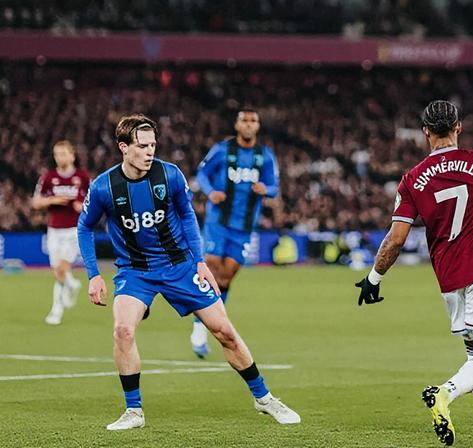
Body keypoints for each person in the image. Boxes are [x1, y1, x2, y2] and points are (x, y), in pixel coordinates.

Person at [77, 114, 299, 431]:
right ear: (124, 147)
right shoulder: (103, 187)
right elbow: (84, 227)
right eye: (142, 146)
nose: (150, 151)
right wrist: (93, 275)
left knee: (224, 332)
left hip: (180, 266)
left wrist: (199, 261)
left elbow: (186, 216)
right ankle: (134, 411)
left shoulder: (169, 175)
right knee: (122, 330)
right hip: (135, 271)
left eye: (153, 144)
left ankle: (263, 397)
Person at [355, 100, 473, 447]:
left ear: (425, 131)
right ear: (458, 127)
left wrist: (374, 277)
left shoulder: (412, 180)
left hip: (449, 280)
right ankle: (445, 392)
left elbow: (395, 239)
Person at [190, 109, 280, 358]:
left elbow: (274, 187)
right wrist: (210, 192)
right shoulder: (222, 150)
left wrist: (266, 189)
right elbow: (202, 174)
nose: (249, 125)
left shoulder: (265, 156)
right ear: (237, 124)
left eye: (253, 121)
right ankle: (200, 327)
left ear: (258, 126)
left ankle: (207, 320)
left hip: (244, 226)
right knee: (212, 268)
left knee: (227, 277)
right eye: (245, 120)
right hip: (218, 221)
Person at [32, 140, 91, 325]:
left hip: (74, 230)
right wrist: (53, 200)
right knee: (57, 271)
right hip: (54, 230)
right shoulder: (48, 178)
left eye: (64, 153)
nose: (60, 157)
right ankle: (72, 284)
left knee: (61, 269)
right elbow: (36, 202)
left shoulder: (82, 177)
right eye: (57, 154)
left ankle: (56, 310)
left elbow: (93, 203)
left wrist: (81, 206)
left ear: (72, 155)